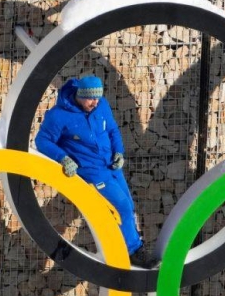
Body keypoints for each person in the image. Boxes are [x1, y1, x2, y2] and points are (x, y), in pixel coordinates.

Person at [35, 75, 151, 265]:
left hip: (111, 166)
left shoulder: (101, 105)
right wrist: (63, 158)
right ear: (80, 95)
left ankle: (128, 243)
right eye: (90, 98)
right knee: (121, 205)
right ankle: (134, 251)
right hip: (91, 171)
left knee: (128, 205)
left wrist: (119, 152)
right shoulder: (59, 115)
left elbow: (112, 130)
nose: (95, 102)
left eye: (97, 98)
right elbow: (42, 141)